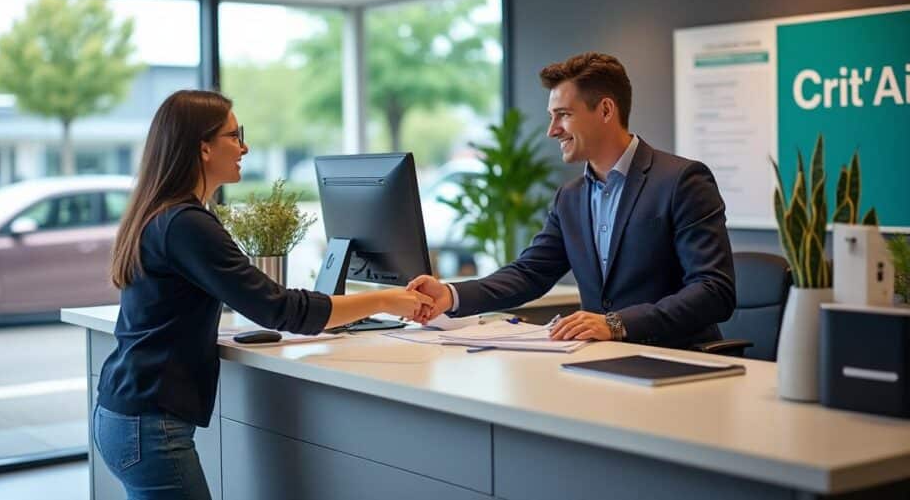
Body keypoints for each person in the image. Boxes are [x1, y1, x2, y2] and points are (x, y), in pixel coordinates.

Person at [94, 90, 433, 500]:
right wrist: (385, 299)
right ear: (203, 147)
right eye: (234, 135)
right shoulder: (186, 224)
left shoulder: (163, 214)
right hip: (149, 427)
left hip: (126, 415)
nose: (244, 146)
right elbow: (279, 309)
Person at [409, 52, 735, 349]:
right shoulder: (571, 196)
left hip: (675, 358)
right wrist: (450, 294)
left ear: (606, 110)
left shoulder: (681, 181)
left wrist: (617, 324)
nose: (552, 130)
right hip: (596, 360)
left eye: (563, 115)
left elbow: (713, 291)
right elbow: (529, 273)